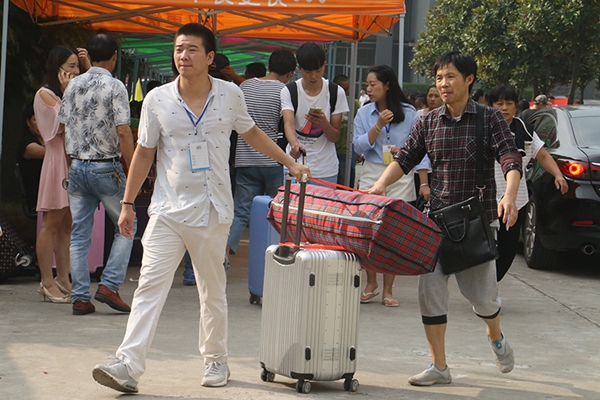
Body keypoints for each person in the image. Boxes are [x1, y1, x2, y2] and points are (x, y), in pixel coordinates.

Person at [91, 23, 310, 393]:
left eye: (192, 49)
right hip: (167, 209)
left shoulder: (230, 95)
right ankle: (128, 364)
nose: (183, 56)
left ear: (209, 57)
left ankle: (215, 360)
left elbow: (252, 133)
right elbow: (144, 152)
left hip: (212, 209)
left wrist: (289, 162)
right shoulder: (157, 99)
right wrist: (127, 203)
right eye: (179, 49)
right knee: (148, 287)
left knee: (212, 290)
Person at [369, 51, 522, 386]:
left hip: (474, 223)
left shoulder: (489, 119)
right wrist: (380, 185)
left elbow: (510, 158)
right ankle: (439, 366)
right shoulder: (428, 121)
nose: (443, 84)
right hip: (436, 222)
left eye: (450, 76)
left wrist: (509, 195)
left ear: (469, 79)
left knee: (483, 299)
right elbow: (405, 159)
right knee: (430, 292)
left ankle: (495, 334)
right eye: (439, 77)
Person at [57, 34, 135, 316]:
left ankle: (80, 297)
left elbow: (64, 128)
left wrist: (72, 163)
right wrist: (133, 167)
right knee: (126, 226)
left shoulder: (73, 85)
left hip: (78, 167)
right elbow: (123, 131)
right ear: (114, 56)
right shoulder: (116, 86)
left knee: (79, 235)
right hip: (107, 168)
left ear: (87, 55)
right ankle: (109, 285)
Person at [353, 65, 429, 307]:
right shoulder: (364, 112)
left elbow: (421, 149)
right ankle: (371, 283)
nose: (368, 89)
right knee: (368, 228)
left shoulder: (409, 112)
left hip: (400, 173)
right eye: (367, 84)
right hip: (372, 172)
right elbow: (358, 147)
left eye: (373, 84)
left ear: (387, 85)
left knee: (393, 232)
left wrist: (424, 182)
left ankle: (388, 289)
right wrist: (377, 126)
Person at [489, 86, 567, 281]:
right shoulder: (483, 128)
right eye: (499, 103)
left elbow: (542, 155)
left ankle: (491, 286)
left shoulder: (524, 130)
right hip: (487, 200)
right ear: (491, 106)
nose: (504, 108)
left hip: (516, 201)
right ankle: (484, 289)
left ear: (516, 106)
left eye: (509, 103)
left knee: (507, 250)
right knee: (483, 250)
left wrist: (558, 174)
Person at [226, 49, 297, 257]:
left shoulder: (245, 86)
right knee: (276, 212)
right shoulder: (283, 90)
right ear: (289, 73)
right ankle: (275, 255)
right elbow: (287, 123)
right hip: (272, 160)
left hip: (245, 159)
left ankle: (224, 254)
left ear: (269, 66)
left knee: (241, 212)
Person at [33, 46, 81, 303]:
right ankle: (46, 281)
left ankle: (63, 278)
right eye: (71, 66)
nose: (75, 71)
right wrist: (67, 92)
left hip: (69, 160)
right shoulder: (45, 94)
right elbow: (64, 122)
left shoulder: (63, 93)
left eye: (77, 66)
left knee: (66, 225)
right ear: (57, 67)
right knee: (51, 223)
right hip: (56, 160)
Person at [282, 42, 349, 183]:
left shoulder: (336, 92)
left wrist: (324, 123)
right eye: (308, 71)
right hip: (295, 165)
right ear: (299, 68)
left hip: (326, 168)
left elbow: (334, 137)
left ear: (324, 65)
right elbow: (288, 123)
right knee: (293, 198)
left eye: (318, 70)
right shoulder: (289, 91)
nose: (313, 76)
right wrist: (294, 144)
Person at [16, 101, 44, 217]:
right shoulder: (27, 144)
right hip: (37, 199)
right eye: (36, 119)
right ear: (28, 122)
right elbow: (50, 154)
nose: (42, 123)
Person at [333, 73, 359, 187]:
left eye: (347, 89)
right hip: (331, 149)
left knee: (346, 182)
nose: (344, 92)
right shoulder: (329, 101)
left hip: (347, 150)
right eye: (342, 89)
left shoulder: (354, 104)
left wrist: (357, 150)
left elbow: (358, 127)